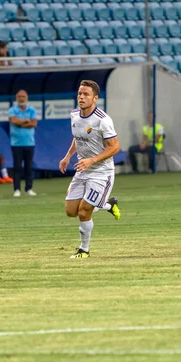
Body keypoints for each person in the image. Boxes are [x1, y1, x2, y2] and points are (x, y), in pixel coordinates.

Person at [59, 80, 121, 259]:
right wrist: (67, 156)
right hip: (82, 170)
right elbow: (78, 138)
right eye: (80, 93)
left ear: (95, 98)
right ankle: (109, 205)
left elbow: (115, 147)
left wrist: (92, 160)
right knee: (71, 211)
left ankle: (83, 250)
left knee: (83, 211)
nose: (81, 97)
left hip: (101, 172)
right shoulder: (74, 115)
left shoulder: (103, 120)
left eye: (86, 94)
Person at [8, 90, 37, 197]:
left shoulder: (32, 109)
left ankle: (29, 188)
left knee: (29, 167)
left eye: (23, 96)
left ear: (27, 97)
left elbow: (33, 123)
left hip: (29, 143)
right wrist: (26, 121)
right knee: (17, 167)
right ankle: (17, 189)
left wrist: (20, 123)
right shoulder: (12, 110)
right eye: (19, 96)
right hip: (16, 143)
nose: (21, 98)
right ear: (16, 98)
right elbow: (14, 121)